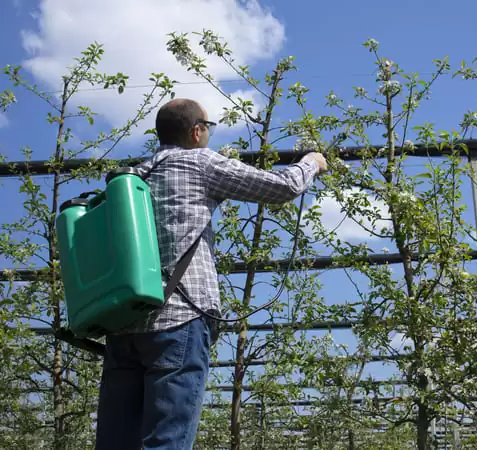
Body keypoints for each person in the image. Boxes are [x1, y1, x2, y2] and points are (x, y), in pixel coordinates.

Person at [94, 98, 327, 449]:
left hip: (123, 324)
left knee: (115, 443)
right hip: (178, 319)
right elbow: (281, 188)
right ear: (197, 131)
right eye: (208, 127)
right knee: (166, 441)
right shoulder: (199, 162)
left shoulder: (129, 179)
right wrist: (311, 163)